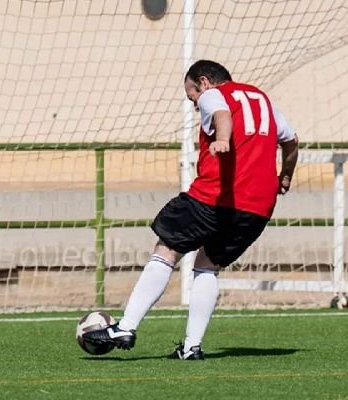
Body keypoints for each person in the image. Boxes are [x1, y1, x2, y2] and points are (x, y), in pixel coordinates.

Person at [84, 60, 299, 360]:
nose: (197, 106)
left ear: (204, 82)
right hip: (257, 209)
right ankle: (190, 347)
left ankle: (126, 327)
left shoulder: (215, 94)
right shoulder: (262, 100)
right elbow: (291, 141)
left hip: (215, 197)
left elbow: (221, 114)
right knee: (208, 266)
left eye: (192, 97)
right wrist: (285, 175)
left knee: (166, 251)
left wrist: (222, 139)